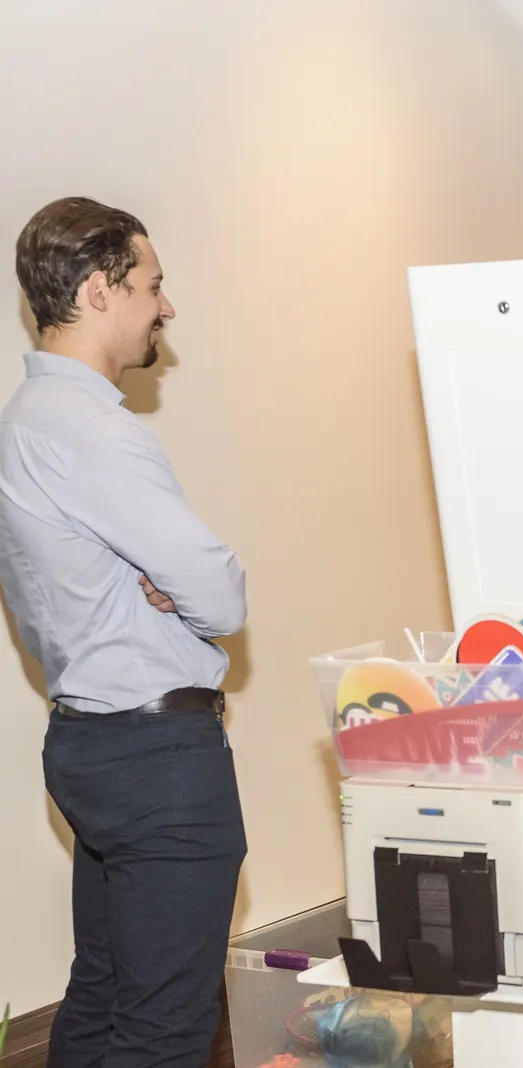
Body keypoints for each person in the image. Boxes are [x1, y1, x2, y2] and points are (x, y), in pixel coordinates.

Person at [4, 197, 249, 1068]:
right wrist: (180, 590)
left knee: (104, 997)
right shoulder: (97, 432)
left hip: (86, 745)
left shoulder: (25, 421)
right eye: (152, 284)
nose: (165, 306)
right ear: (100, 290)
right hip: (158, 769)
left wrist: (161, 583)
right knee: (164, 1031)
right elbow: (220, 594)